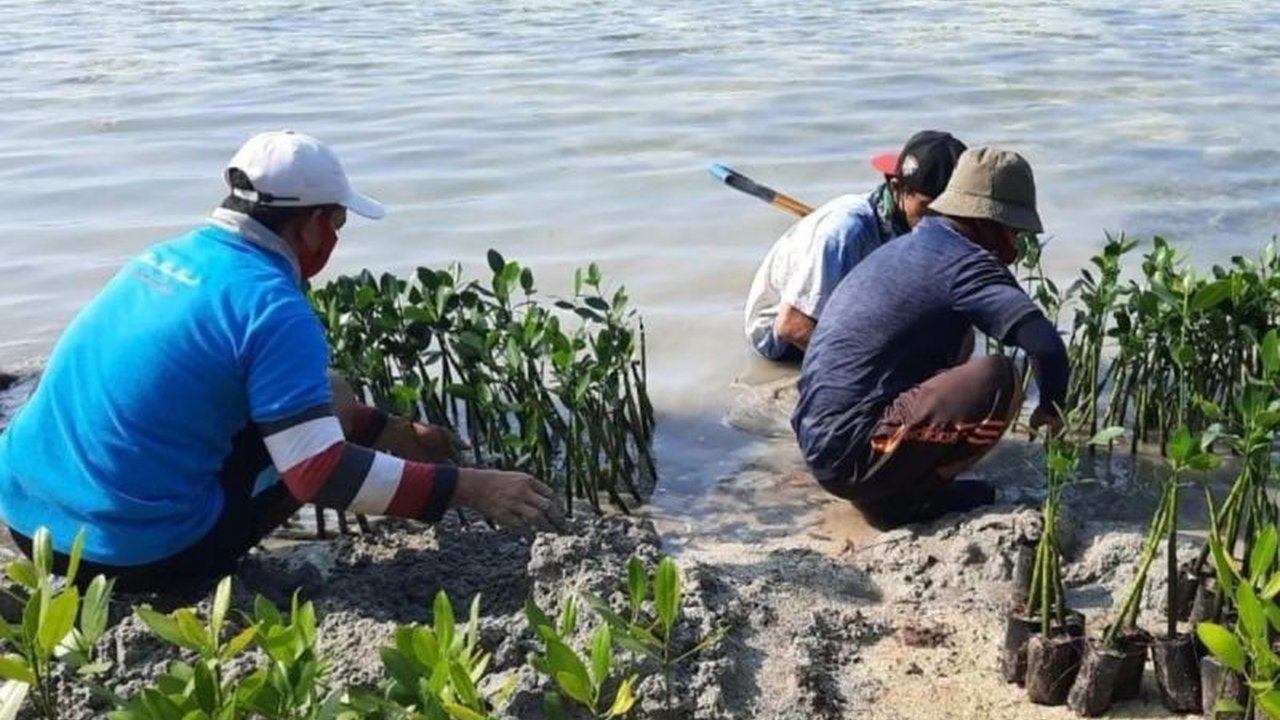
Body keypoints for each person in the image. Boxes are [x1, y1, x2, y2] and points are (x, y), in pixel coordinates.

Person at [0, 130, 560, 591]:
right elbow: (319, 474)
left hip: (26, 521)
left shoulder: (161, 259)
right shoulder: (272, 305)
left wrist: (379, 429)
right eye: (337, 225)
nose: (335, 241)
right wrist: (471, 487)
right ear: (312, 224)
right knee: (321, 431)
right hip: (125, 557)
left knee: (328, 394)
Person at [791, 146, 1068, 529]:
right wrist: (1052, 410)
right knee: (1000, 377)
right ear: (989, 222)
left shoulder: (908, 247)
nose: (1017, 246)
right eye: (1015, 231)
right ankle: (914, 499)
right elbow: (1046, 346)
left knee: (959, 345)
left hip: (819, 441)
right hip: (849, 456)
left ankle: (890, 483)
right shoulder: (966, 263)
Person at [743, 130, 968, 362]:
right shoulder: (844, 232)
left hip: (851, 309)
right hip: (782, 337)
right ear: (897, 188)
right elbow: (792, 326)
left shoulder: (915, 224)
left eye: (951, 210)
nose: (941, 219)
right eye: (929, 208)